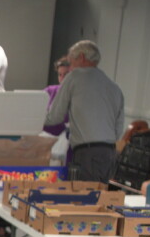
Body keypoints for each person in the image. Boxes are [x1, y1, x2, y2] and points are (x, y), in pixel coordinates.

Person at [44, 40, 125, 183]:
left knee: (83, 200)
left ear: (81, 57)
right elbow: (118, 131)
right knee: (99, 200)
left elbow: (55, 117)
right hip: (110, 154)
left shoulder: (74, 78)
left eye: (70, 62)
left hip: (87, 153)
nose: (70, 69)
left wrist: (29, 120)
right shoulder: (114, 88)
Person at [42, 55, 71, 137]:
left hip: (66, 140)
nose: (62, 78)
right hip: (45, 137)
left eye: (66, 74)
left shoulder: (78, 96)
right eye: (60, 74)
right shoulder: (50, 91)